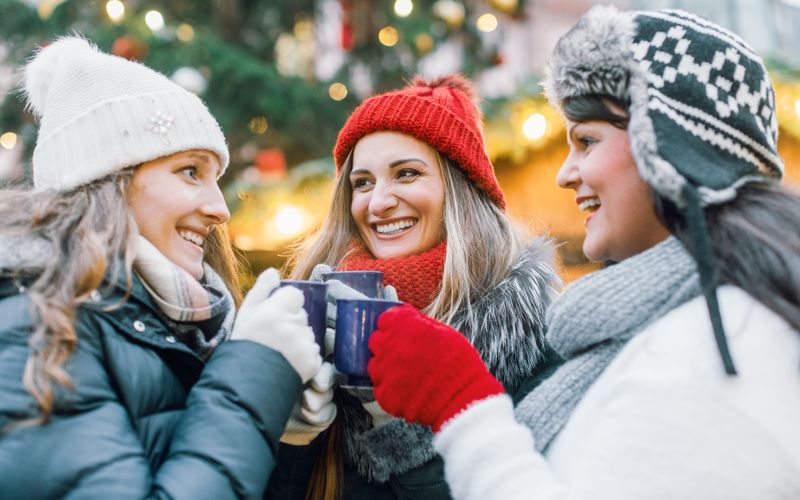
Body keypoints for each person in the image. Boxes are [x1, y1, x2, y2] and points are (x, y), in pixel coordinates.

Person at [366, 6, 800, 500]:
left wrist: (462, 405)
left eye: (587, 141)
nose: (565, 173)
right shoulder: (662, 326)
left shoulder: (719, 351)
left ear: (669, 148)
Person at [0, 37, 322, 498]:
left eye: (217, 179)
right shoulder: (30, 325)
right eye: (190, 171)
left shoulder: (173, 324)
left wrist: (281, 428)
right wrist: (254, 373)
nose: (219, 209)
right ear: (109, 181)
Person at [266, 75, 561, 499]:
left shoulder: (533, 339)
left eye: (406, 174)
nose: (379, 201)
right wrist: (290, 435)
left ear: (460, 192)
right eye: (362, 182)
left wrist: (401, 432)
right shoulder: (318, 314)